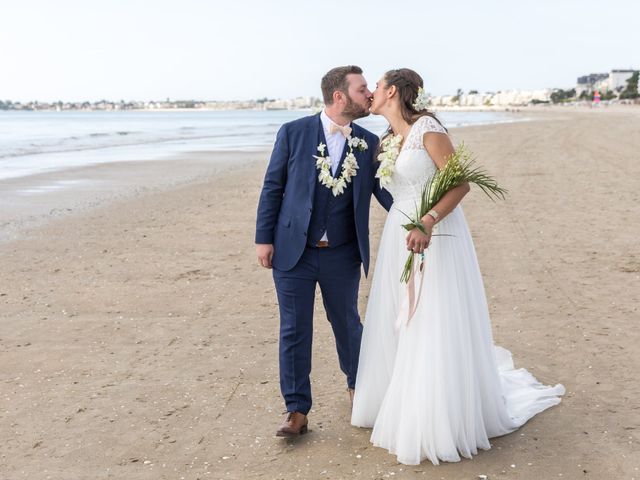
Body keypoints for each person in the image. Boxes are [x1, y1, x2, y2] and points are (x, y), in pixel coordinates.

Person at [351, 68, 565, 465]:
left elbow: (460, 183)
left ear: (392, 91)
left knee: (431, 318)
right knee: (401, 318)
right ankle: (397, 401)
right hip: (400, 234)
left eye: (376, 87)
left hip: (433, 234)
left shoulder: (427, 129)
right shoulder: (387, 139)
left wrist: (428, 221)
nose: (371, 94)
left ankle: (436, 416)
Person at [255, 65, 393, 437]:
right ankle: (296, 411)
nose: (369, 94)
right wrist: (263, 238)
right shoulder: (293, 132)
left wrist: (422, 215)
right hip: (292, 251)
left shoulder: (367, 141)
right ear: (339, 96)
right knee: (294, 330)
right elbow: (273, 187)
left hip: (342, 253)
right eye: (363, 88)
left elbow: (385, 193)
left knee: (348, 324)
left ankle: (359, 393)